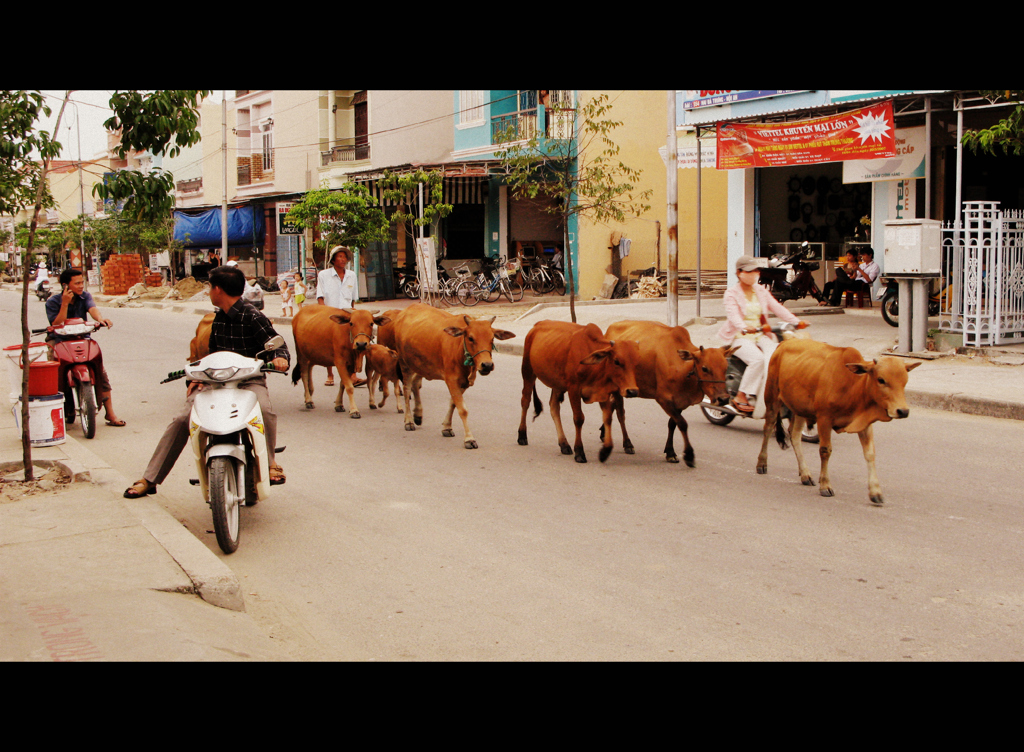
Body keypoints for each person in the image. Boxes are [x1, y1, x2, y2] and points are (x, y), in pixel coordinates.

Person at [123, 265, 290, 498]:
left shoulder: (253, 316)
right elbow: (210, 357)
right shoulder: (218, 319)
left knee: (265, 410)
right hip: (215, 383)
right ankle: (150, 479)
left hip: (248, 381)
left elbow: (279, 345)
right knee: (183, 418)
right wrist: (195, 378)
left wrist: (280, 358)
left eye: (210, 287)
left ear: (218, 290)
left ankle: (271, 463)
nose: (209, 291)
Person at [718, 255, 805, 413]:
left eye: (756, 270)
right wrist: (744, 327)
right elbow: (733, 316)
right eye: (749, 271)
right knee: (757, 360)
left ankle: (769, 393)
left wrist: (796, 322)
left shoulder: (760, 291)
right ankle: (741, 395)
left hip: (760, 334)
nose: (754, 274)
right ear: (739, 272)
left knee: (778, 357)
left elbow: (777, 308)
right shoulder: (731, 294)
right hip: (740, 336)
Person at [45, 267, 124, 427]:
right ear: (65, 285)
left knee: (100, 371)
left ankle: (110, 414)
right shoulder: (52, 302)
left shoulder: (85, 296)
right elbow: (56, 323)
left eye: (82, 282)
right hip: (59, 341)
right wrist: (65, 304)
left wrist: (100, 319)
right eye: (77, 283)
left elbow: (92, 309)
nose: (81, 286)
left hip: (82, 339)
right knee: (52, 374)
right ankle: (55, 410)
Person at [316, 246, 358, 387]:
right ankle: (330, 374)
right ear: (333, 259)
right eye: (339, 256)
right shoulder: (323, 275)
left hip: (347, 315)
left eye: (344, 257)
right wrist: (324, 315)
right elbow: (320, 297)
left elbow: (353, 299)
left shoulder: (351, 275)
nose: (342, 259)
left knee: (352, 343)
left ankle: (353, 375)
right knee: (331, 345)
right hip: (331, 315)